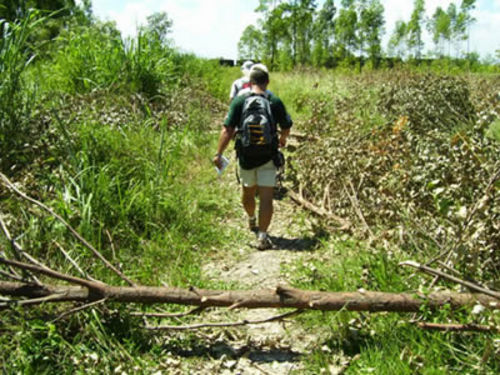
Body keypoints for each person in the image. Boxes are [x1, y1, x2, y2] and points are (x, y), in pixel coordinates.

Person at [214, 64, 293, 250]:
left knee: (247, 192)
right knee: (266, 197)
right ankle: (263, 236)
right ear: (267, 82)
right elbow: (287, 125)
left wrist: (219, 153)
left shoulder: (240, 100)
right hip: (268, 155)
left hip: (246, 156)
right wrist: (282, 139)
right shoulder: (274, 100)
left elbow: (227, 130)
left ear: (250, 82)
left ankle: (251, 219)